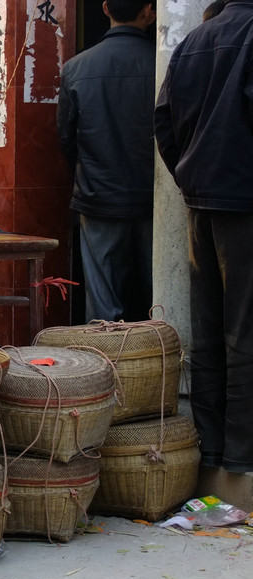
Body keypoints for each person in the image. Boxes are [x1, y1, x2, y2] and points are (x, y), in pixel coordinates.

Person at [155, 0, 253, 474]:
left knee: (211, 333)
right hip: (244, 206)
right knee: (244, 335)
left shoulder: (193, 40)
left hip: (201, 205)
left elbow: (163, 120)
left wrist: (189, 178)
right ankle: (241, 458)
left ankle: (212, 453)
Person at [56, 0, 157, 324]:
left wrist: (90, 170)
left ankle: (105, 371)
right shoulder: (165, 62)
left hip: (98, 197)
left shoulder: (76, 67)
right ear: (148, 11)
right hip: (155, 200)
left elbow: (67, 138)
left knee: (102, 309)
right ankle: (162, 370)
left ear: (104, 8)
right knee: (163, 301)